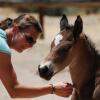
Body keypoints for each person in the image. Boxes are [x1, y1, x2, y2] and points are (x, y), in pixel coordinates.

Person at [0, 14, 73, 98]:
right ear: (15, 29)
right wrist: (53, 89)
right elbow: (14, 90)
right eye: (29, 39)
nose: (30, 46)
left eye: (33, 42)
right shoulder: (2, 47)